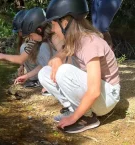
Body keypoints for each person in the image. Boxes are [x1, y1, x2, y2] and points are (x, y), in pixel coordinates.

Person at [38, 0, 120, 133]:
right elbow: (54, 59)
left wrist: (73, 119)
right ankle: (73, 109)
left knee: (63, 71)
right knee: (44, 73)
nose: (52, 30)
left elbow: (94, 91)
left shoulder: (90, 43)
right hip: (98, 94)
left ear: (64, 23)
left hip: (107, 98)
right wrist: (58, 58)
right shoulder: (75, 40)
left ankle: (86, 117)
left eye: (53, 25)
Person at [13, 7, 65, 88]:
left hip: (64, 71)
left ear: (39, 30)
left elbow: (65, 53)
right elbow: (44, 65)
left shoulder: (54, 37)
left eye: (31, 35)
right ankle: (45, 82)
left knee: (43, 47)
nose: (31, 38)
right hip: (55, 71)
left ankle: (52, 83)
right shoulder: (42, 39)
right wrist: (27, 76)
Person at [0, 9, 42, 88]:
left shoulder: (34, 38)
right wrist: (22, 66)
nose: (19, 34)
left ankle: (36, 79)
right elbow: (23, 59)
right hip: (42, 67)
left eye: (19, 31)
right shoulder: (31, 38)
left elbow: (21, 58)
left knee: (23, 48)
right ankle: (35, 77)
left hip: (43, 69)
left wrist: (3, 56)